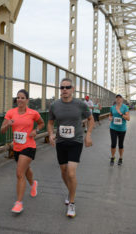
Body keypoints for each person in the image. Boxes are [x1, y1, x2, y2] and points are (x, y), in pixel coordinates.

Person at [48, 78, 94, 218]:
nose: (65, 90)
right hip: (61, 142)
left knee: (71, 173)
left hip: (76, 141)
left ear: (73, 89)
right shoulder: (54, 105)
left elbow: (91, 119)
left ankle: (72, 203)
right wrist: (50, 134)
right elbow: (50, 122)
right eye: (62, 87)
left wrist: (88, 135)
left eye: (68, 87)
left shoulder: (80, 105)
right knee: (63, 171)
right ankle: (71, 192)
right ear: (60, 89)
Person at [1, 89, 45, 214]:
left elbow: (41, 123)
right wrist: (7, 124)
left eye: (22, 98)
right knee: (25, 169)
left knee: (19, 173)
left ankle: (19, 203)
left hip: (29, 146)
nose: (19, 100)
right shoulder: (10, 113)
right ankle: (33, 183)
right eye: (18, 97)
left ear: (27, 100)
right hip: (17, 147)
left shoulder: (33, 113)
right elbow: (2, 131)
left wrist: (36, 131)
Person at [109, 94, 130, 166]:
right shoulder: (112, 107)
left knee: (120, 144)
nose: (118, 99)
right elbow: (110, 115)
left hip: (122, 129)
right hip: (113, 128)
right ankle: (112, 157)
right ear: (115, 99)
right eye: (117, 98)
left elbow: (128, 118)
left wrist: (120, 113)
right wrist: (110, 118)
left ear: (122, 99)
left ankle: (120, 158)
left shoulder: (125, 107)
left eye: (119, 98)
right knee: (113, 144)